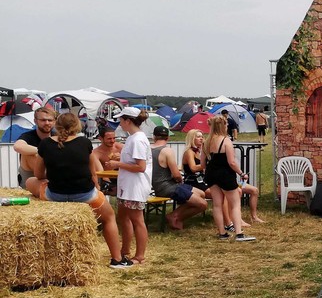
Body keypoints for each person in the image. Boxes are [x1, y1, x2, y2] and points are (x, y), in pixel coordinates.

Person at [33, 113, 129, 269]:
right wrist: (96, 186)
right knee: (109, 217)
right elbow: (92, 171)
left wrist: (53, 175)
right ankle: (117, 259)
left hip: (55, 194)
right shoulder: (84, 143)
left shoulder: (45, 144)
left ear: (57, 125)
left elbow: (37, 175)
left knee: (31, 182)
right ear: (77, 126)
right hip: (85, 194)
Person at [108, 106, 152, 264]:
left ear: (128, 120)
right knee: (124, 217)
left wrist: (117, 163)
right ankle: (125, 250)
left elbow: (141, 167)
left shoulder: (137, 139)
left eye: (121, 119)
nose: (119, 122)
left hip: (135, 186)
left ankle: (140, 255)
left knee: (137, 220)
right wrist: (121, 159)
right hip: (129, 186)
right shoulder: (133, 137)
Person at [202, 116, 255, 242]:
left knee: (217, 205)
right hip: (225, 174)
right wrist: (242, 174)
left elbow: (203, 164)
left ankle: (222, 233)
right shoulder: (226, 141)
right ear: (223, 126)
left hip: (211, 174)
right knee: (235, 204)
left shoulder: (206, 142)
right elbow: (231, 162)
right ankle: (239, 233)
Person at [150, 126, 208, 230]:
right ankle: (175, 217)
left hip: (155, 186)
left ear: (154, 137)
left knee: (201, 193)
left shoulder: (148, 149)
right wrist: (180, 181)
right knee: (203, 204)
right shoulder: (167, 151)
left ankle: (175, 214)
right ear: (168, 138)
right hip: (168, 187)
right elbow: (176, 175)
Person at [13, 106, 56, 197]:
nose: (47, 123)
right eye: (43, 120)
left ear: (54, 121)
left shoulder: (58, 137)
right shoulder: (28, 136)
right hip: (32, 180)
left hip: (51, 178)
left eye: (50, 120)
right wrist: (42, 151)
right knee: (30, 154)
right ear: (35, 121)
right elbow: (17, 146)